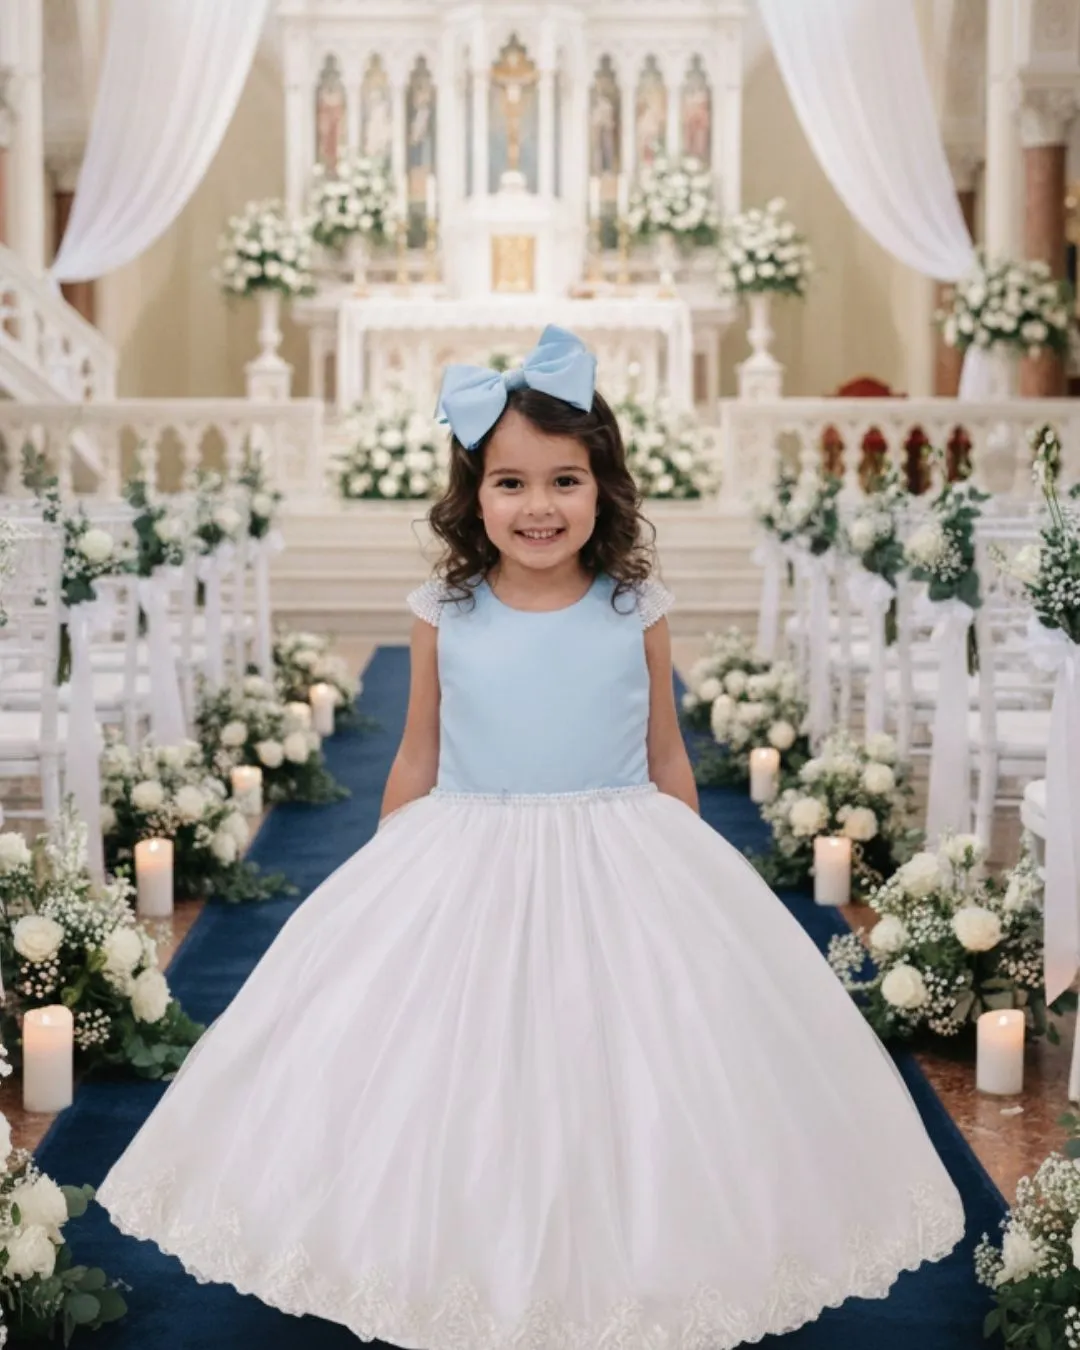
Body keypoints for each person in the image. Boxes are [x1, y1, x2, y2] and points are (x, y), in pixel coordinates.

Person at [96, 327, 964, 1349]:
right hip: (467, 850)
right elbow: (418, 755)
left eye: (564, 480)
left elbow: (666, 753)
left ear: (605, 489)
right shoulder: (444, 612)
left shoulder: (635, 607)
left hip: (621, 849)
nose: (539, 507)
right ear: (474, 496)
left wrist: (690, 881)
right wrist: (385, 876)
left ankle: (642, 1257)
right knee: (458, 1066)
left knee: (632, 1070)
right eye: (510, 483)